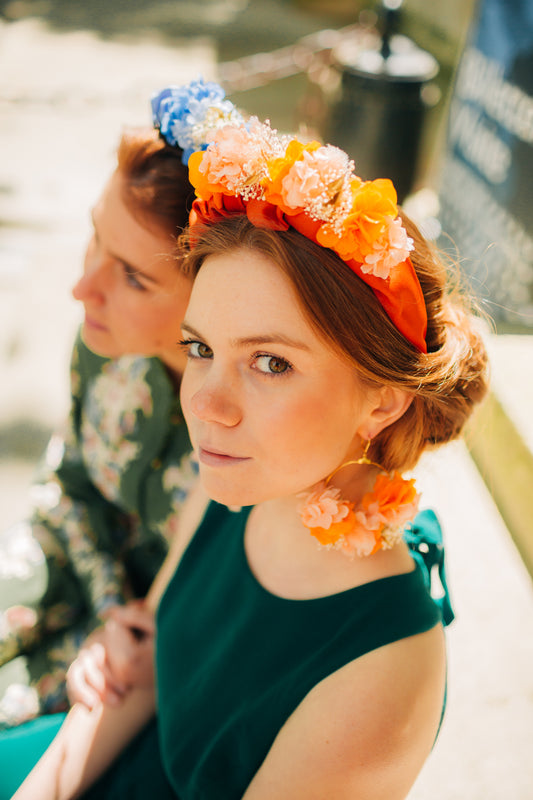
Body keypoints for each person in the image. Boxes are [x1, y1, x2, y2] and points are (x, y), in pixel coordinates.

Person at [3, 114, 488, 800]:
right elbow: (143, 680)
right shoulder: (237, 483)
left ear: (381, 402)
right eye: (200, 349)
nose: (204, 404)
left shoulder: (382, 671)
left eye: (269, 362)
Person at [0, 79, 243, 728]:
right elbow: (69, 482)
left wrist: (123, 633)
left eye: (133, 276)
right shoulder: (105, 344)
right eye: (94, 240)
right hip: (74, 571)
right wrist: (108, 603)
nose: (83, 288)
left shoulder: (253, 429)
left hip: (167, 656)